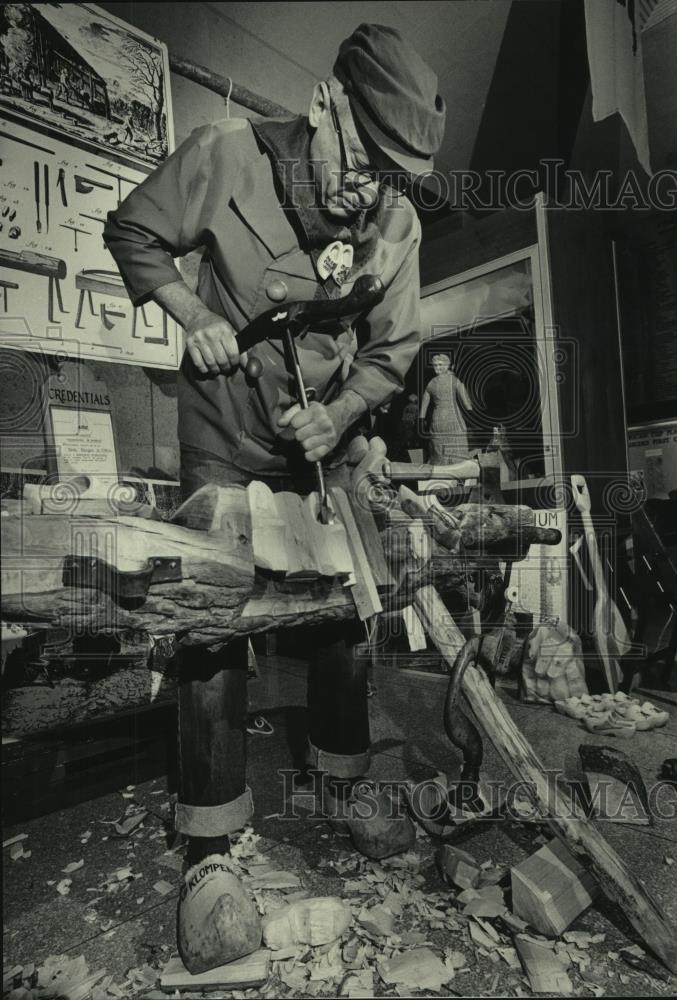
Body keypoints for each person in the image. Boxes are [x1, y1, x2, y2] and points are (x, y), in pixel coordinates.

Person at [104, 23, 445, 973]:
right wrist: (196, 313)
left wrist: (338, 420)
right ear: (325, 102)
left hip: (313, 441)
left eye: (390, 176)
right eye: (360, 159)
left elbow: (390, 352)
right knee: (215, 622)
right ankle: (211, 844)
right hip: (222, 428)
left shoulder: (397, 226)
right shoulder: (224, 155)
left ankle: (337, 784)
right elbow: (131, 229)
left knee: (343, 610)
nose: (366, 189)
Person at [419, 352, 472, 463]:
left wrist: (421, 419)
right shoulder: (454, 380)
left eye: (440, 365)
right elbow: (465, 401)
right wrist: (470, 413)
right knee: (457, 448)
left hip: (438, 421)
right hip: (454, 420)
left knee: (440, 450)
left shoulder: (431, 383)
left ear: (446, 366)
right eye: (435, 365)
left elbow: (424, 406)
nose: (437, 368)